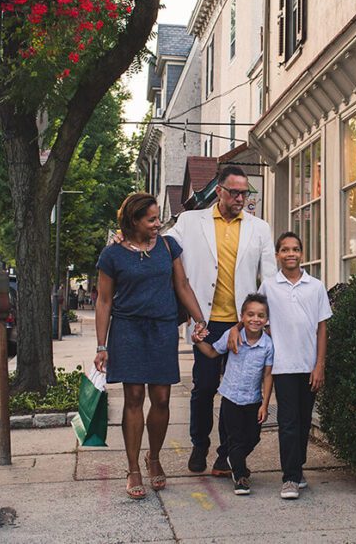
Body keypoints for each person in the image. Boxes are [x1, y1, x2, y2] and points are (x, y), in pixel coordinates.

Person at [163, 165, 277, 476]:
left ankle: (226, 453)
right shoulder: (189, 222)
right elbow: (160, 245)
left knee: (237, 392)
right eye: (236, 192)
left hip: (243, 325)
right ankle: (200, 444)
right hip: (206, 323)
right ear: (220, 191)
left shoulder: (259, 228)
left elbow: (267, 279)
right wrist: (127, 237)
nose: (242, 198)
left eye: (245, 192)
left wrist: (263, 324)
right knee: (205, 387)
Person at [94, 192, 208, 500]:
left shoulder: (168, 247)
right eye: (152, 219)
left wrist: (199, 320)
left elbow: (182, 285)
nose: (158, 224)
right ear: (133, 221)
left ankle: (153, 456)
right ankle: (133, 467)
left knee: (161, 397)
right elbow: (104, 302)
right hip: (128, 330)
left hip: (161, 329)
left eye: (158, 218)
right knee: (133, 396)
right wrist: (101, 345)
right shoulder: (112, 255)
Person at [233, 231, 331, 499]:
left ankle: (297, 470)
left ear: (302, 253)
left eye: (295, 249)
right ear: (277, 255)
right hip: (282, 364)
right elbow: (254, 313)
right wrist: (237, 328)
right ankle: (289, 478)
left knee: (303, 421)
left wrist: (319, 364)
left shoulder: (316, 286)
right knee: (288, 421)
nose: (290, 254)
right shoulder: (269, 286)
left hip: (308, 364)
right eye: (285, 249)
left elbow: (322, 328)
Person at [191, 294, 273, 496]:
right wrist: (197, 341)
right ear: (242, 317)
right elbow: (211, 352)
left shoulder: (268, 345)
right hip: (231, 398)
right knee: (236, 439)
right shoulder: (232, 336)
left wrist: (265, 404)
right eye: (250, 314)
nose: (255, 319)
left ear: (266, 319)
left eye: (260, 315)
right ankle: (240, 476)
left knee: (252, 438)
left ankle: (230, 459)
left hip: (253, 400)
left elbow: (268, 375)